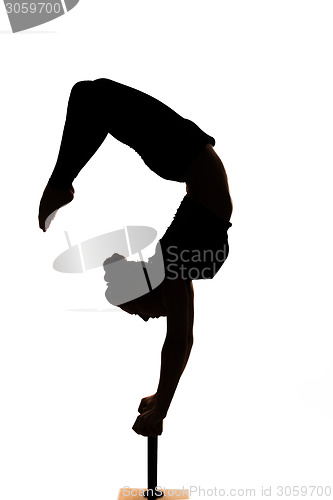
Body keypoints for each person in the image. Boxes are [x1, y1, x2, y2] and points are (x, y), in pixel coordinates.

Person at [38, 78, 233, 437]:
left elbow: (179, 341)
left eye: (137, 311)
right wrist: (161, 402)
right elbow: (180, 340)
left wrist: (162, 405)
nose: (145, 318)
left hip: (183, 157)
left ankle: (61, 183)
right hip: (184, 157)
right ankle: (61, 183)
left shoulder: (171, 266)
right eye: (138, 312)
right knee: (91, 95)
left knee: (91, 95)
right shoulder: (173, 267)